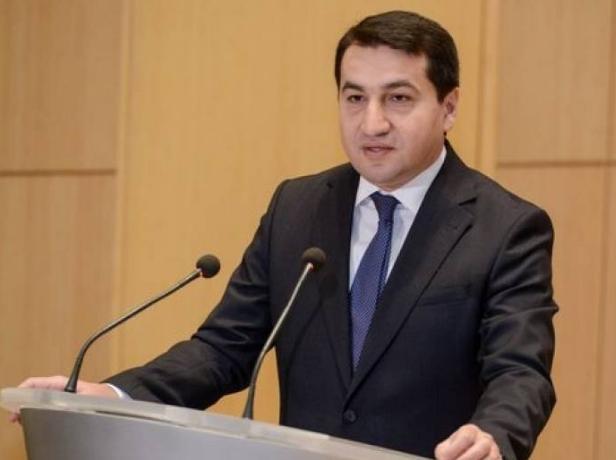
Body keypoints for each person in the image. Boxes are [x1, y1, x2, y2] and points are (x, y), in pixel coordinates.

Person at [14, 11, 557, 460]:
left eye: (397, 99)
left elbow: (520, 371)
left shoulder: (505, 227)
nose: (372, 123)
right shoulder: (297, 208)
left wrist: (495, 435)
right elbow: (224, 349)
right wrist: (115, 394)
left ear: (449, 107)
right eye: (354, 98)